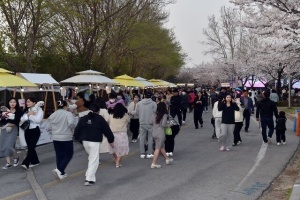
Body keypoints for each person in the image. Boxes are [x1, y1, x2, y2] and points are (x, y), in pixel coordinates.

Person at [74, 103, 114, 186]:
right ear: (98, 111)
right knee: (94, 160)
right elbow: (107, 130)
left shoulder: (83, 118)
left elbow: (77, 130)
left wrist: (78, 139)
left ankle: (88, 173)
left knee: (91, 158)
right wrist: (111, 140)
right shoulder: (100, 119)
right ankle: (89, 179)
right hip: (94, 141)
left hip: (85, 141)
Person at [48, 100, 75, 180]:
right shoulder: (68, 114)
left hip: (56, 137)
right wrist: (73, 129)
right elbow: (71, 124)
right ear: (65, 106)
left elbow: (49, 128)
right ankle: (59, 169)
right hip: (66, 137)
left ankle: (61, 173)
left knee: (59, 155)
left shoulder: (52, 115)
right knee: (69, 154)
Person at [20, 97, 44, 170]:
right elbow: (22, 119)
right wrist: (28, 114)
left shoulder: (39, 110)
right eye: (27, 102)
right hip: (27, 130)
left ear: (34, 103)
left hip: (35, 130)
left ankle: (26, 163)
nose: (27, 103)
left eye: (29, 102)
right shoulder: (26, 110)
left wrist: (29, 116)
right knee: (30, 147)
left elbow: (38, 120)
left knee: (31, 147)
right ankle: (35, 161)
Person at [0, 98, 22, 169]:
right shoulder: (5, 110)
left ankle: (16, 157)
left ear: (16, 103)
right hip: (4, 129)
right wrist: (3, 116)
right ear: (8, 103)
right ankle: (8, 163)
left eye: (14, 102)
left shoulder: (18, 111)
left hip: (13, 129)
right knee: (4, 145)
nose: (12, 103)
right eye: (11, 102)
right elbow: (2, 121)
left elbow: (16, 122)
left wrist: (8, 123)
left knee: (9, 146)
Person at [150, 102, 173, 168]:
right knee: (158, 148)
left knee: (161, 146)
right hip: (160, 133)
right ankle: (153, 163)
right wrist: (169, 125)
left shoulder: (154, 114)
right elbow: (163, 124)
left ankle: (167, 159)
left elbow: (150, 122)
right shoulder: (164, 115)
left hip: (154, 132)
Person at [135, 92, 157, 159]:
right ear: (151, 96)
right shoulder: (154, 103)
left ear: (144, 96)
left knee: (142, 138)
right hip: (150, 123)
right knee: (150, 138)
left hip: (142, 122)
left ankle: (142, 153)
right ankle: (149, 153)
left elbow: (136, 112)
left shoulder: (139, 103)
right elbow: (155, 112)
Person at [108, 103, 130, 168]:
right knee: (122, 149)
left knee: (113, 148)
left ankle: (116, 158)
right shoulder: (125, 115)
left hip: (112, 134)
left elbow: (108, 121)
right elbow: (128, 121)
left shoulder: (111, 115)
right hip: (122, 134)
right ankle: (117, 162)